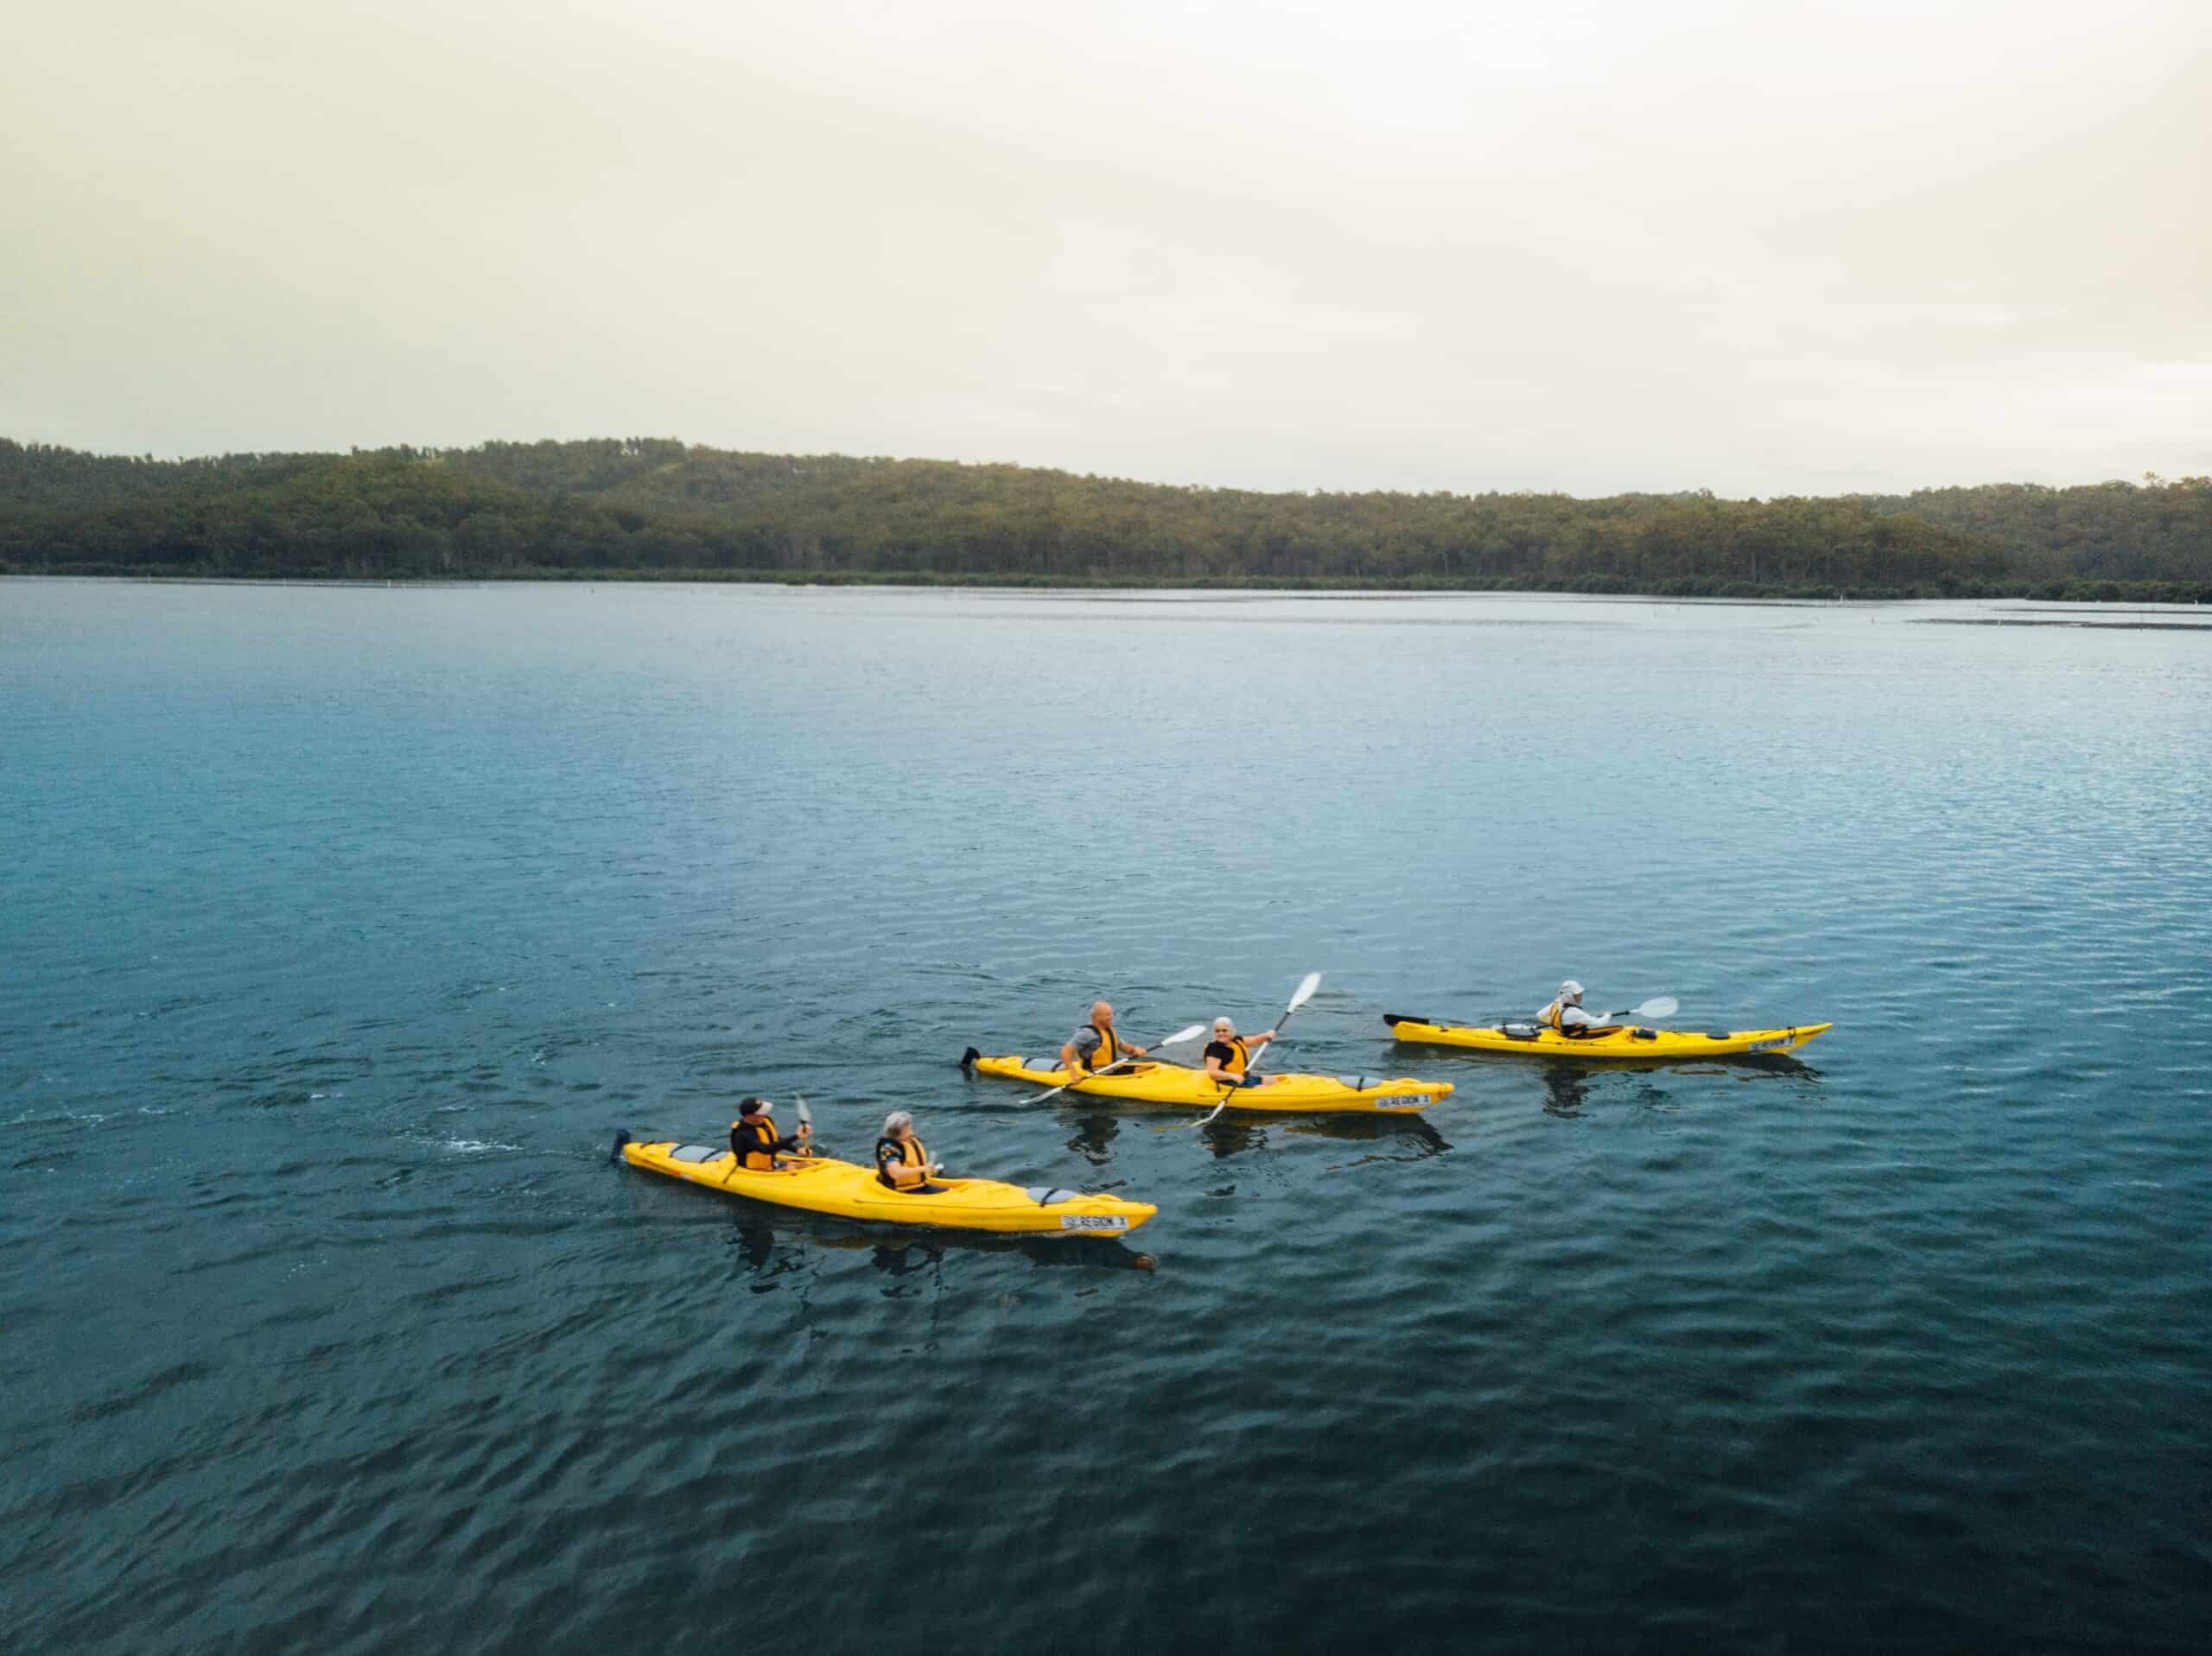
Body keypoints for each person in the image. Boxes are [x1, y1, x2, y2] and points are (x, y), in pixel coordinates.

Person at [1059, 1000, 1148, 1075]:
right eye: (1108, 1015)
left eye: (1111, 1014)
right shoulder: (1087, 1033)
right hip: (1096, 1073)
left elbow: (1122, 1046)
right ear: (1097, 1016)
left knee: (1147, 1068)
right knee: (1142, 1072)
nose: (1112, 1017)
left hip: (1112, 1068)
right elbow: (1065, 1051)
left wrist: (1134, 1050)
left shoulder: (1108, 1030)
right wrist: (1073, 1073)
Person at [729, 1096, 811, 1170]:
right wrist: (796, 1136)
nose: (766, 1114)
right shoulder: (743, 1133)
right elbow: (767, 1149)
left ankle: (782, 1166)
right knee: (796, 1167)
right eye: (761, 1112)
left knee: (809, 1164)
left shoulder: (765, 1120)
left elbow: (776, 1139)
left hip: (770, 1163)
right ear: (749, 1116)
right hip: (753, 1169)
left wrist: (797, 1150)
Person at [874, 1110, 946, 1193]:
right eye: (908, 1129)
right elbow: (896, 1173)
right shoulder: (889, 1148)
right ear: (898, 1132)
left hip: (920, 1185)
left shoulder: (910, 1140)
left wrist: (929, 1169)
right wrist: (922, 1169)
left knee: (949, 1192)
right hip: (902, 1191)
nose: (911, 1131)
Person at [1202, 1017, 1278, 1088]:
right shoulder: (1214, 1049)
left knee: (1273, 1080)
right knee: (1262, 1089)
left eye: (1224, 1030)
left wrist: (1267, 1035)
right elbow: (1212, 1073)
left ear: (1231, 1031)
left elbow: (1255, 1040)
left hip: (1244, 1079)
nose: (1221, 1033)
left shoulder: (1237, 1041)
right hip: (1228, 1083)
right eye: (1217, 1031)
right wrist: (1233, 1076)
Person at [1538, 980, 1620, 1038]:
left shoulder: (1556, 1003)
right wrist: (1607, 1015)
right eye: (1578, 995)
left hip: (1559, 1034)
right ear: (1569, 996)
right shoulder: (1573, 1012)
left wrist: (1557, 1023)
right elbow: (1598, 1023)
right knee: (1604, 1034)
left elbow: (1540, 1015)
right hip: (1573, 1038)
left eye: (1581, 994)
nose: (1581, 997)